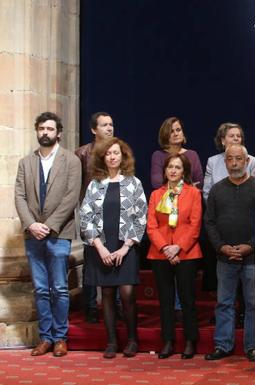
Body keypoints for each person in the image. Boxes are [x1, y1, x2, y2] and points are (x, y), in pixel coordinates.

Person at [15, 112, 81, 357]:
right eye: (41, 128)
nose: (45, 132)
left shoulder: (71, 160)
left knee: (60, 289)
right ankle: (45, 337)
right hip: (33, 234)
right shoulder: (25, 162)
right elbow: (19, 196)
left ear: (59, 133)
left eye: (50, 129)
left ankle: (60, 338)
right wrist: (32, 224)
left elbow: (71, 197)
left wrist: (49, 225)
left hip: (59, 233)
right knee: (41, 289)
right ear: (37, 131)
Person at [80, 137, 147, 359]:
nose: (112, 156)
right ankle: (111, 342)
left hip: (125, 247)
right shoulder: (94, 184)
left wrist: (125, 247)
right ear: (102, 157)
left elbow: (140, 218)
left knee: (127, 293)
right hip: (101, 247)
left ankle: (132, 340)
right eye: (108, 153)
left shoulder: (133, 183)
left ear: (123, 156)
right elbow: (85, 218)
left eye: (116, 153)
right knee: (107, 293)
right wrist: (100, 247)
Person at [204, 144, 255, 362]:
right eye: (230, 159)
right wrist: (221, 247)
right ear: (225, 163)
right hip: (224, 257)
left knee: (253, 304)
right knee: (224, 302)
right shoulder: (216, 190)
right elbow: (210, 222)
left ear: (246, 161)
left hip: (252, 257)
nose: (234, 163)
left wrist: (249, 246)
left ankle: (252, 347)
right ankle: (222, 345)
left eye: (238, 159)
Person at [146, 153, 203, 360]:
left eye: (177, 167)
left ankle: (190, 340)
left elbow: (195, 225)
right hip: (160, 254)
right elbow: (151, 227)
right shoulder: (155, 195)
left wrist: (178, 247)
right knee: (166, 301)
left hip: (186, 253)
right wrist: (165, 248)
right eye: (170, 167)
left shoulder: (193, 193)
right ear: (165, 170)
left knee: (187, 300)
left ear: (184, 172)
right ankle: (168, 341)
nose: (173, 171)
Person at [76, 111, 115, 323]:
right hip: (91, 214)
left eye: (111, 125)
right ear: (93, 129)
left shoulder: (119, 151)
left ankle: (115, 305)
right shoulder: (82, 153)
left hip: (115, 214)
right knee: (91, 259)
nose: (109, 128)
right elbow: (75, 186)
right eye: (104, 125)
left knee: (116, 258)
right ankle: (90, 306)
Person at [202, 122, 255, 202]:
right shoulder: (212, 162)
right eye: (231, 136)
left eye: (238, 136)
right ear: (223, 141)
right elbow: (207, 193)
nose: (236, 138)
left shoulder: (252, 161)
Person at [150, 117, 203, 189]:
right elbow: (157, 183)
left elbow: (199, 183)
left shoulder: (192, 155)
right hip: (165, 198)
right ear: (165, 135)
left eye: (178, 130)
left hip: (189, 198)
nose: (176, 134)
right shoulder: (158, 155)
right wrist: (187, 189)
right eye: (171, 131)